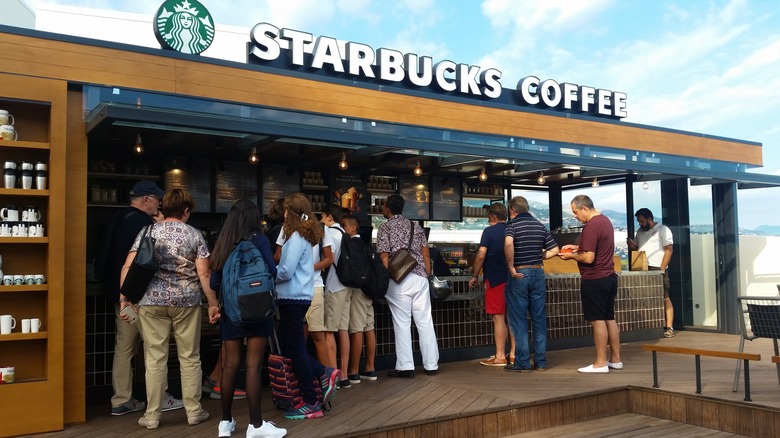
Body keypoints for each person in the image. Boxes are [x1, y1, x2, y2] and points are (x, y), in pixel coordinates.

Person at [119, 188, 220, 429]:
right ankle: (194, 411)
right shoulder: (194, 235)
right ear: (186, 211)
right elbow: (204, 273)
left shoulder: (148, 230)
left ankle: (152, 416)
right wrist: (213, 303)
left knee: (154, 358)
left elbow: (127, 266)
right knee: (190, 357)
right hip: (187, 302)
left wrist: (125, 299)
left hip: (151, 301)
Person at [98, 180, 183, 416]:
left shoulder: (117, 218)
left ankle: (121, 400)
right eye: (157, 200)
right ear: (146, 199)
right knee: (154, 347)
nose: (159, 205)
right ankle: (161, 397)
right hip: (143, 297)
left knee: (124, 349)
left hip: (121, 295)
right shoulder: (145, 224)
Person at [209, 199, 286, 438]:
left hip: (231, 312)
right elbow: (272, 273)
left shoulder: (222, 242)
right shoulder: (260, 240)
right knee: (253, 365)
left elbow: (214, 282)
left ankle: (225, 423)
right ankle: (256, 425)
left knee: (230, 365)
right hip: (258, 310)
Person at [275, 193, 340, 420]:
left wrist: (268, 274)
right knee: (292, 346)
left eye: (285, 210)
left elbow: (285, 270)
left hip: (292, 298)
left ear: (290, 212)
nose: (283, 214)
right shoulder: (305, 235)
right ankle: (324, 374)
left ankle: (311, 401)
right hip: (298, 297)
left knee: (296, 349)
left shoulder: (296, 237)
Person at [377, 194, 439, 377]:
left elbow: (383, 256)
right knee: (425, 321)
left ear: (388, 208)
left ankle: (406, 367)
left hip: (399, 281)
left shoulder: (385, 227)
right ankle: (431, 365)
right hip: (419, 278)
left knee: (402, 323)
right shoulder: (416, 226)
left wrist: (393, 274)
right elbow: (426, 254)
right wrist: (426, 273)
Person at [559, 194, 622, 374]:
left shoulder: (591, 226)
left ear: (585, 208)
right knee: (610, 317)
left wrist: (571, 255)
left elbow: (588, 257)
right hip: (609, 276)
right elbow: (596, 249)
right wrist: (577, 248)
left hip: (594, 279)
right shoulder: (606, 221)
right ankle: (615, 359)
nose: (575, 216)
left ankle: (601, 363)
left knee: (597, 320)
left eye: (576, 212)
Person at [502, 197, 559, 372]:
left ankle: (523, 362)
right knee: (539, 319)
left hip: (520, 273)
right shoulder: (540, 225)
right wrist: (539, 256)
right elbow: (555, 250)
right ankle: (541, 362)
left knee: (519, 320)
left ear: (512, 210)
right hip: (538, 273)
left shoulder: (511, 226)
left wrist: (511, 266)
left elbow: (508, 243)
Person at [469, 203, 516, 367]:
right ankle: (514, 354)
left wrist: (474, 275)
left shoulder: (489, 232)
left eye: (489, 216)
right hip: (513, 278)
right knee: (513, 317)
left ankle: (500, 356)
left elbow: (481, 255)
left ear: (493, 216)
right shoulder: (512, 229)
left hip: (495, 278)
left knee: (498, 318)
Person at [341, 214, 378, 384]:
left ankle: (354, 371)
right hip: (369, 291)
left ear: (353, 228)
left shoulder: (352, 245)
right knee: (369, 328)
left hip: (357, 291)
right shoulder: (366, 245)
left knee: (356, 329)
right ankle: (370, 368)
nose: (343, 230)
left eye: (344, 226)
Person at [627, 208, 675, 338]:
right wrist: (632, 245)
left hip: (657, 267)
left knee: (664, 296)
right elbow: (638, 248)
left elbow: (668, 250)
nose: (640, 224)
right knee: (646, 296)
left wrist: (662, 269)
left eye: (642, 221)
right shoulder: (640, 232)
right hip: (642, 266)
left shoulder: (663, 229)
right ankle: (651, 326)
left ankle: (669, 326)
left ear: (649, 218)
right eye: (639, 221)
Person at [320, 205, 353, 388]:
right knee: (343, 330)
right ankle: (344, 375)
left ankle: (333, 375)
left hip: (334, 287)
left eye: (322, 216)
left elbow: (328, 260)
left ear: (329, 217)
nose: (321, 219)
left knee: (328, 332)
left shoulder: (330, 233)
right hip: (346, 287)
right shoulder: (343, 233)